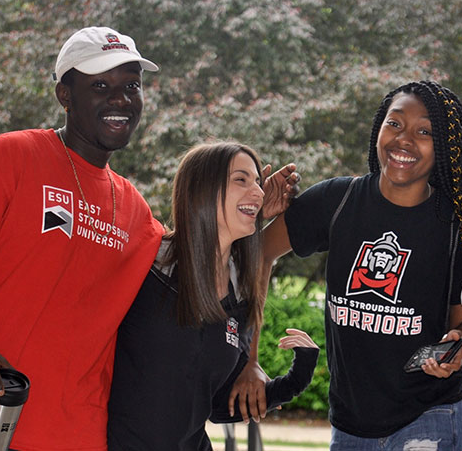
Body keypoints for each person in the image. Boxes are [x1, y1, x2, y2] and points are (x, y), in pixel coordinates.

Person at [0, 26, 168, 450]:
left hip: (73, 433)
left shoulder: (136, 212)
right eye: (100, 85)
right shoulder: (11, 156)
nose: (120, 99)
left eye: (131, 85)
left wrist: (260, 216)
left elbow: (202, 259)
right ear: (64, 95)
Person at [261, 80, 462, 449]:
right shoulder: (336, 201)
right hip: (350, 425)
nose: (404, 140)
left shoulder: (458, 228)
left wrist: (459, 345)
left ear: (446, 146)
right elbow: (255, 255)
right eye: (394, 123)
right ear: (379, 128)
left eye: (425, 131)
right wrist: (247, 359)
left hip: (429, 417)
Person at [106, 142, 317, 450]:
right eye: (241, 180)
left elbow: (220, 405)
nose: (258, 192)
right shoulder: (145, 263)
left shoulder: (238, 298)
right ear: (201, 188)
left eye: (258, 182)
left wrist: (296, 379)